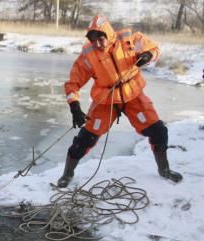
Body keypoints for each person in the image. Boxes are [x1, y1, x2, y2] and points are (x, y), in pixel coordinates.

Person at [57, 15, 183, 188]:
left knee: (158, 131)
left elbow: (154, 48)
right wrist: (74, 106)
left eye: (100, 38)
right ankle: (67, 174)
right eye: (93, 40)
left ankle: (164, 170)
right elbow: (73, 83)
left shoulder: (128, 40)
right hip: (105, 101)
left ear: (108, 34)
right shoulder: (88, 55)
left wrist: (148, 55)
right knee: (85, 138)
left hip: (134, 96)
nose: (97, 43)